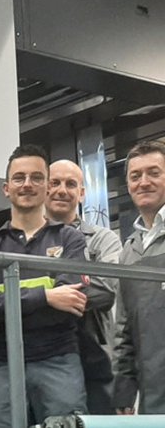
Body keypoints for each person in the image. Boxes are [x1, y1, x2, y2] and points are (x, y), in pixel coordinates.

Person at [0, 145, 88, 427]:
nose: (27, 184)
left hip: (59, 362)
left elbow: (72, 302)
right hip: (2, 365)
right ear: (6, 188)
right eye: (19, 178)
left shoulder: (70, 239)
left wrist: (3, 309)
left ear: (47, 186)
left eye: (36, 177)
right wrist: (47, 297)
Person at [45, 159, 122, 415]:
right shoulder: (25, 239)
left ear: (81, 193)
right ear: (44, 187)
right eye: (55, 183)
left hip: (94, 357)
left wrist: (43, 295)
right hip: (40, 355)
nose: (62, 190)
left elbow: (107, 289)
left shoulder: (104, 240)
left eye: (70, 184)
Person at [113, 140, 165, 414]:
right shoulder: (129, 251)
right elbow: (124, 328)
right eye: (135, 176)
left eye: (154, 173)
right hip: (151, 393)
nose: (144, 182)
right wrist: (123, 388)